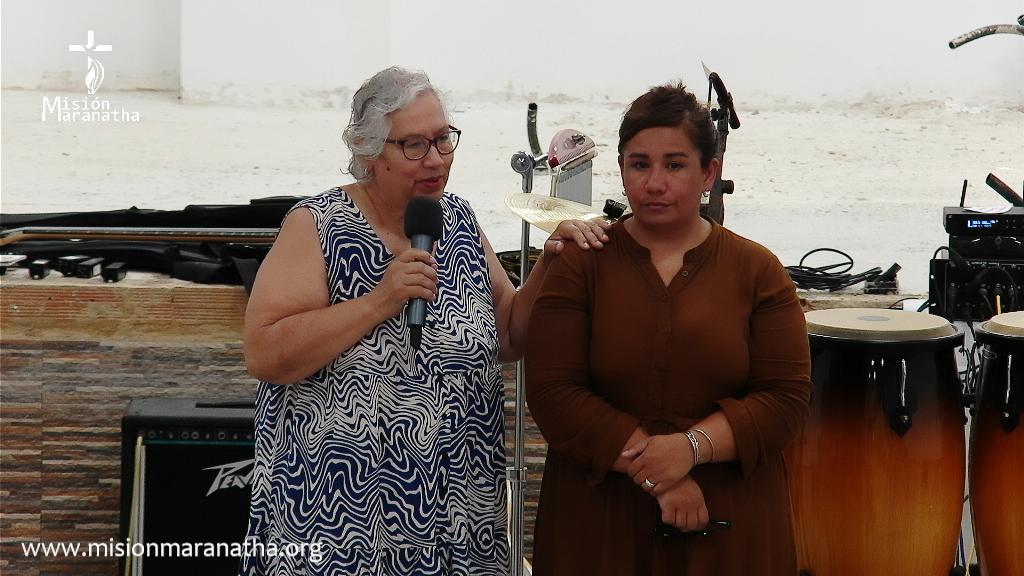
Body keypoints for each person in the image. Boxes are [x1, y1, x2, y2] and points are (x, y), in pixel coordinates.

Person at [238, 66, 610, 575]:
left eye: (443, 140)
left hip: (458, 523)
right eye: (414, 145)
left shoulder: (458, 221)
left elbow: (508, 335)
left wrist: (550, 262)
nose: (435, 159)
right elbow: (265, 353)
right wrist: (379, 301)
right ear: (369, 151)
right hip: (341, 528)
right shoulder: (317, 225)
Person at [524, 83, 812, 574]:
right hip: (598, 531)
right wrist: (664, 475)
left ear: (709, 173)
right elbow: (553, 393)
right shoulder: (580, 264)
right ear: (621, 169)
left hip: (730, 532)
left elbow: (785, 400)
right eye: (640, 165)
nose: (654, 183)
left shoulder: (758, 271)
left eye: (675, 165)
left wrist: (689, 448)